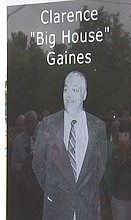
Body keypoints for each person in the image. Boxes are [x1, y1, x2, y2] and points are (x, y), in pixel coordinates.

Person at [32, 71, 107, 220]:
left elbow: (100, 167)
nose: (69, 95)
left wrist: (83, 190)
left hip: (87, 209)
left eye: (75, 90)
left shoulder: (98, 126)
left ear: (84, 94)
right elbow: (38, 164)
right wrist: (55, 191)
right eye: (66, 89)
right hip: (56, 209)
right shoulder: (48, 124)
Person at [10, 110, 43, 220]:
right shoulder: (18, 141)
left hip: (40, 186)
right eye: (27, 123)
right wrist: (23, 166)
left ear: (36, 122)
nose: (30, 125)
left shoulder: (43, 138)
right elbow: (13, 165)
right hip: (24, 187)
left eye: (32, 122)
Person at [110, 118, 131, 220]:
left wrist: (130, 150)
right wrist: (122, 152)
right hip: (119, 197)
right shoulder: (116, 152)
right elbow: (114, 169)